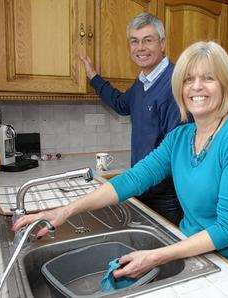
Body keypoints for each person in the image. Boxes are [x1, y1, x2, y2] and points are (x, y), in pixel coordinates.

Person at [14, 41, 228, 278]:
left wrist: (156, 256)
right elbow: (134, 178)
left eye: (208, 78)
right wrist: (66, 210)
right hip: (193, 251)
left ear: (226, 85)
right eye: (188, 79)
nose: (196, 87)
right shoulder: (180, 137)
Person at [79, 13, 183, 225]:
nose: (140, 48)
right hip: (144, 185)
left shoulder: (174, 83)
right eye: (134, 41)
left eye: (148, 40)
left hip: (166, 196)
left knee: (163, 255)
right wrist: (93, 77)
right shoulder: (142, 83)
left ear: (162, 44)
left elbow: (174, 151)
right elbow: (120, 103)